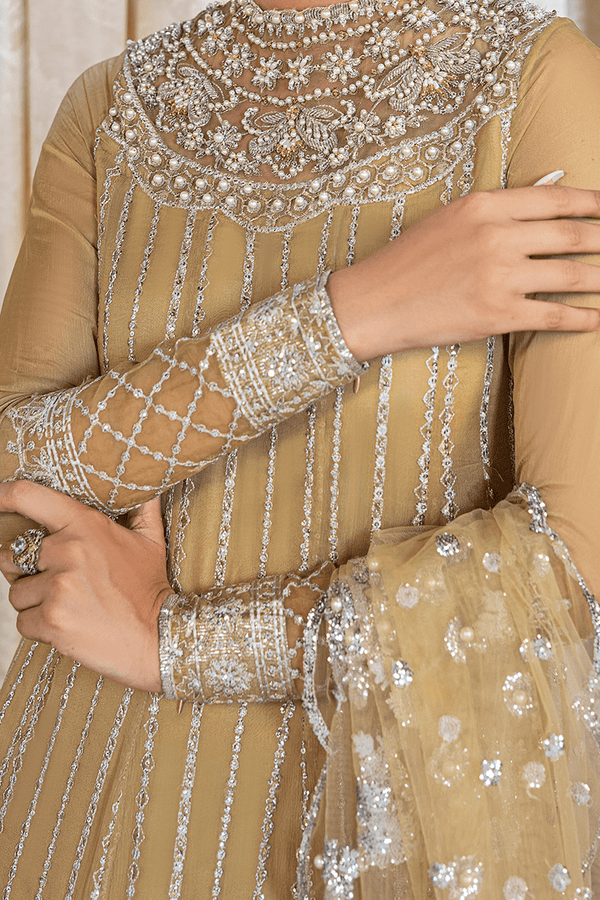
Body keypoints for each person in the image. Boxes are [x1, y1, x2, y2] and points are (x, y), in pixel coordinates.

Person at [0, 0, 599, 895]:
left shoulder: (535, 81)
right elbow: (14, 483)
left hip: (402, 819)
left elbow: (571, 570)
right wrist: (354, 314)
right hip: (87, 802)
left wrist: (175, 644)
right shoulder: (111, 107)